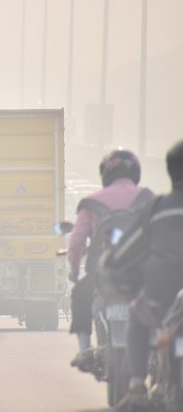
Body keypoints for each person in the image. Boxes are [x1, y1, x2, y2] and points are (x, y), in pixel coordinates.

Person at [112, 140, 183, 408]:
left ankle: (136, 384)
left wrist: (118, 274)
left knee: (136, 314)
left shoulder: (156, 208)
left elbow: (121, 255)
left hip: (160, 300)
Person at [67, 149, 152, 368]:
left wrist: (74, 272)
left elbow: (76, 243)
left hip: (102, 275)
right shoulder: (149, 199)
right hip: (142, 274)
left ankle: (85, 350)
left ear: (105, 173)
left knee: (80, 294)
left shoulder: (91, 202)